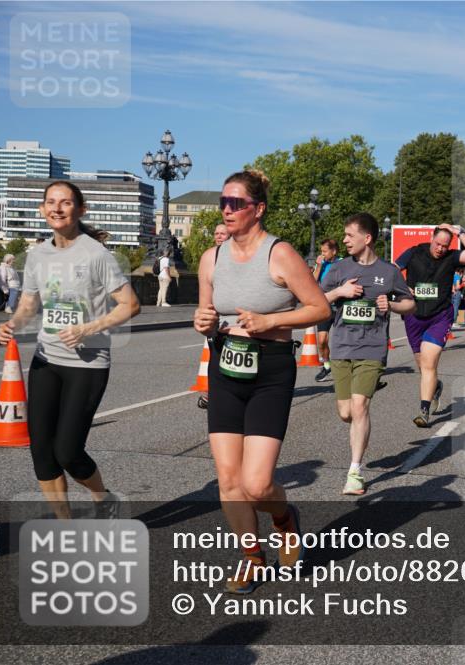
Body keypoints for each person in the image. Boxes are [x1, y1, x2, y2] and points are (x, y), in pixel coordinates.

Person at [193, 170, 330, 594]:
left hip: (270, 370)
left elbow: (319, 308)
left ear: (258, 209)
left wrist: (271, 321)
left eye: (237, 203)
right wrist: (203, 323)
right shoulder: (211, 258)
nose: (227, 209)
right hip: (225, 367)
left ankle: (284, 519)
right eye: (223, 202)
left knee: (256, 484)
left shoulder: (280, 254)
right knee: (228, 480)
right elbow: (206, 315)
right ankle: (251, 558)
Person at [0, 181, 141, 520]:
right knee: (42, 453)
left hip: (87, 364)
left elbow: (131, 305)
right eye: (51, 202)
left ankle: (102, 497)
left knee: (68, 451)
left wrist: (86, 329)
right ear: (42, 209)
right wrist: (12, 324)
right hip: (46, 360)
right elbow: (29, 304)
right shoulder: (37, 255)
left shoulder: (96, 254)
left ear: (80, 209)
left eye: (65, 202)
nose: (57, 208)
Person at [320, 213, 415, 495]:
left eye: (350, 235)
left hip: (372, 348)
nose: (345, 240)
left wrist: (392, 305)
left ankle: (354, 471)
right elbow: (316, 300)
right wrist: (340, 291)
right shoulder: (338, 269)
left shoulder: (389, 272)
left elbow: (410, 303)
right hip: (341, 347)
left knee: (360, 406)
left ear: (368, 238)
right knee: (346, 412)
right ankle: (358, 427)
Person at [395, 223, 465, 427]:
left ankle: (423, 411)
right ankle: (435, 387)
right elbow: (393, 270)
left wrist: (459, 232)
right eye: (438, 244)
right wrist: (403, 288)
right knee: (422, 365)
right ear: (431, 238)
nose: (440, 249)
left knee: (428, 363)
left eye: (445, 245)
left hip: (440, 316)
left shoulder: (452, 257)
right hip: (414, 315)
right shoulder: (414, 252)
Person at [197, 225, 232, 410]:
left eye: (222, 233)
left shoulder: (237, 255)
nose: (219, 236)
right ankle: (213, 393)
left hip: (232, 315)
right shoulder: (211, 257)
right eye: (216, 233)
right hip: (215, 314)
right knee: (215, 355)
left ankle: (219, 394)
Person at [312, 239, 341, 382]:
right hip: (325, 306)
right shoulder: (321, 264)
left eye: (325, 251)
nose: (322, 254)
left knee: (341, 340)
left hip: (340, 305)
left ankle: (346, 367)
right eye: (321, 251)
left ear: (334, 251)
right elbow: (312, 282)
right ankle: (327, 365)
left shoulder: (343, 263)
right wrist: (318, 266)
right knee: (322, 340)